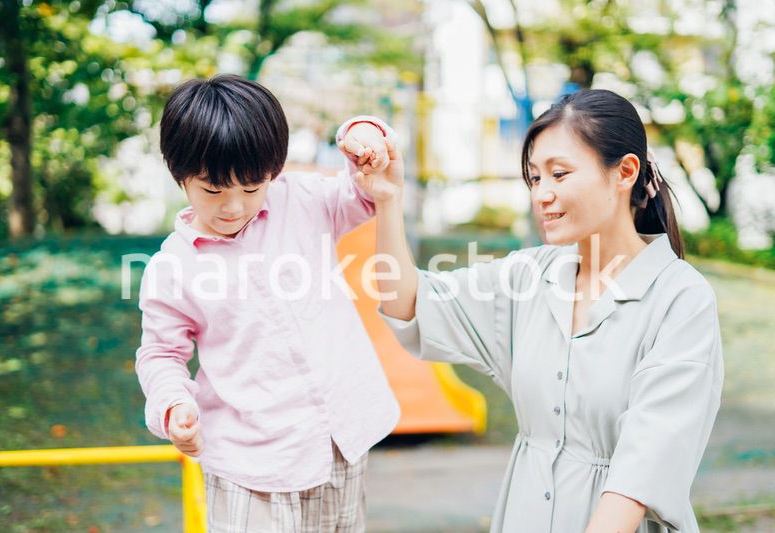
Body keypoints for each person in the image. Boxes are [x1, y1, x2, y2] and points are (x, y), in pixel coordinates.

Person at [361, 89, 724, 532]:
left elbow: (644, 465)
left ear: (625, 172)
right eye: (535, 178)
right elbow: (407, 302)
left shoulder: (680, 298)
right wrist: (387, 199)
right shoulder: (529, 277)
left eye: (559, 174)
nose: (542, 195)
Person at [134, 74, 400, 532]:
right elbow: (161, 353)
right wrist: (174, 404)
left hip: (339, 438)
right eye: (213, 191)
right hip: (250, 459)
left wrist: (363, 135)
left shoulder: (303, 201)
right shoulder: (173, 267)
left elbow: (364, 191)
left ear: (273, 172)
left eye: (252, 188)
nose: (234, 206)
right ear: (181, 176)